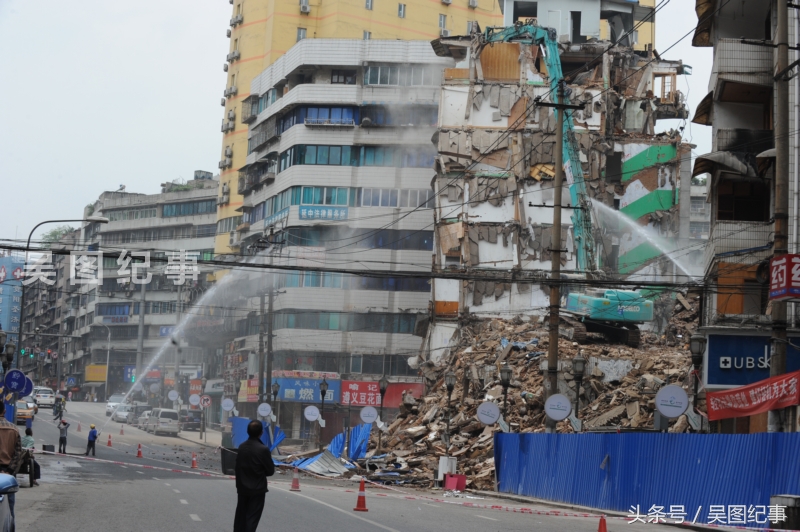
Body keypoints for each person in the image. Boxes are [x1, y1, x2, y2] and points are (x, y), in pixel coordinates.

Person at [233, 420, 275, 532]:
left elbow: (237, 467)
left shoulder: (241, 447)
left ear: (247, 431)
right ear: (261, 432)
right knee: (252, 519)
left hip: (242, 489)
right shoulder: (263, 449)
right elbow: (270, 471)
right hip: (257, 490)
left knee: (240, 518)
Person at [0, 401, 22, 518]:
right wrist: (9, 472)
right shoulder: (14, 429)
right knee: (9, 509)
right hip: (7, 474)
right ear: (4, 411)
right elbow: (18, 455)